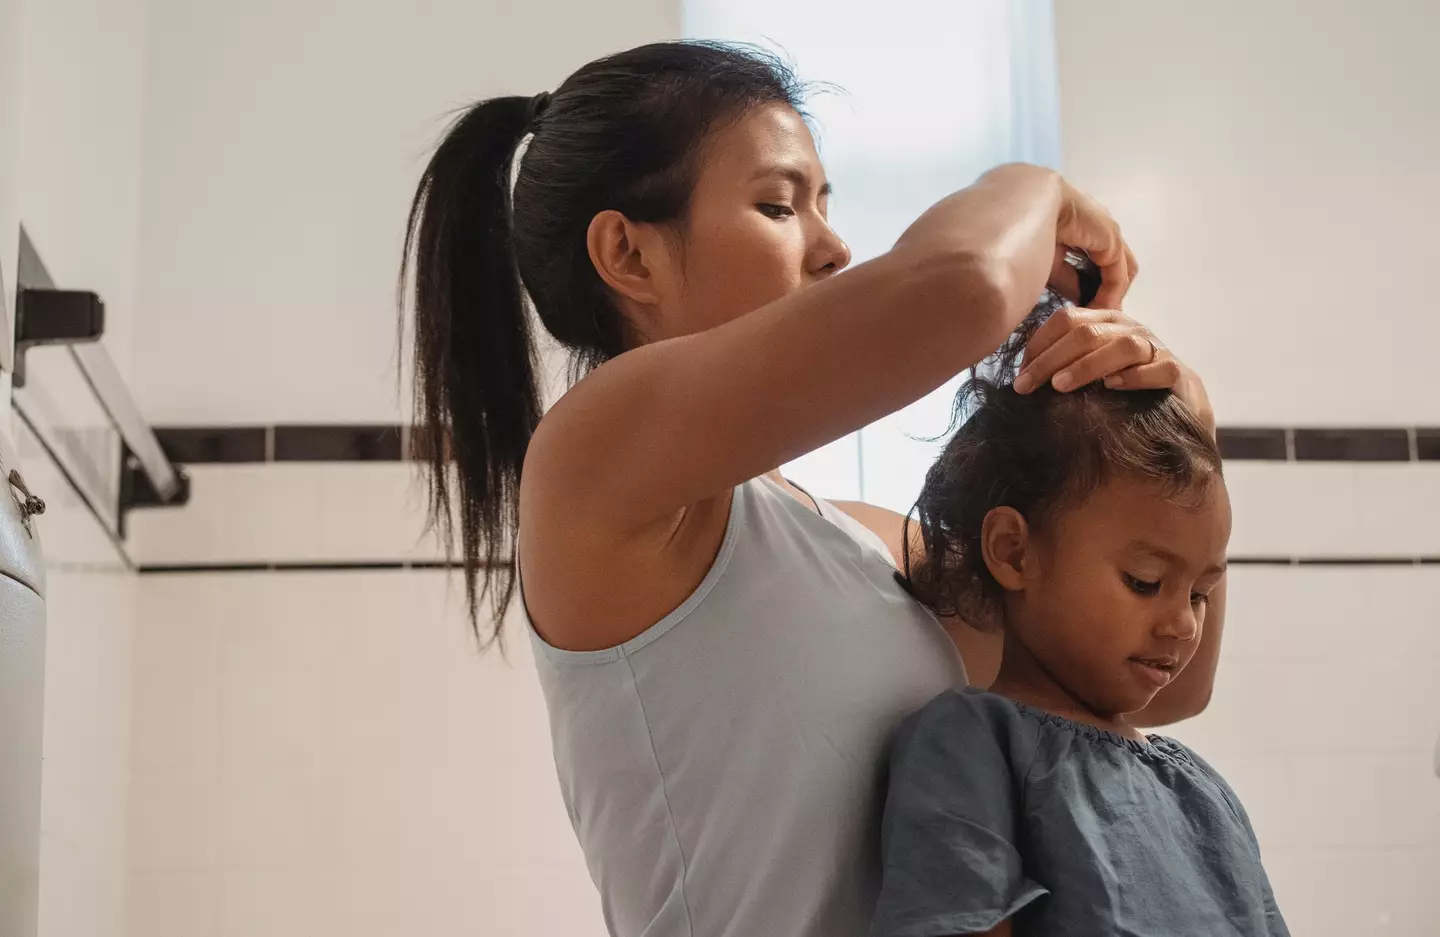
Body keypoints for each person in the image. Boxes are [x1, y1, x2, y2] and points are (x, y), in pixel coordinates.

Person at [401, 40, 1220, 937]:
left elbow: (1152, 681)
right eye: (778, 205)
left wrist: (1190, 419)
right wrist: (1038, 186)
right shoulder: (593, 461)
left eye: (826, 203)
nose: (833, 247)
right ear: (627, 254)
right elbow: (963, 287)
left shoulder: (868, 543)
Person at [870, 303, 1285, 936]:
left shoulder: (1201, 791)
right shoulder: (971, 746)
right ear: (1014, 551)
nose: (1183, 626)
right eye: (1145, 582)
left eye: (1200, 593)